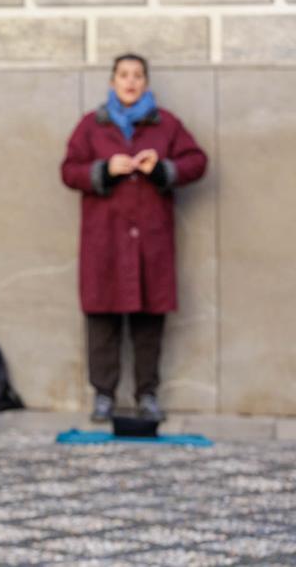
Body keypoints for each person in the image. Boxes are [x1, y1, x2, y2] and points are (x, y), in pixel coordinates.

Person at [60, 53, 207, 423]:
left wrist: (161, 170)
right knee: (102, 320)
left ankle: (147, 394)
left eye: (137, 75)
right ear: (113, 82)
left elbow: (196, 162)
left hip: (151, 242)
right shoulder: (91, 126)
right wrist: (103, 170)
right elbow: (68, 170)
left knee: (148, 320)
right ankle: (104, 395)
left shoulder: (166, 124)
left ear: (146, 82)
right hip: (104, 240)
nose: (130, 81)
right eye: (123, 75)